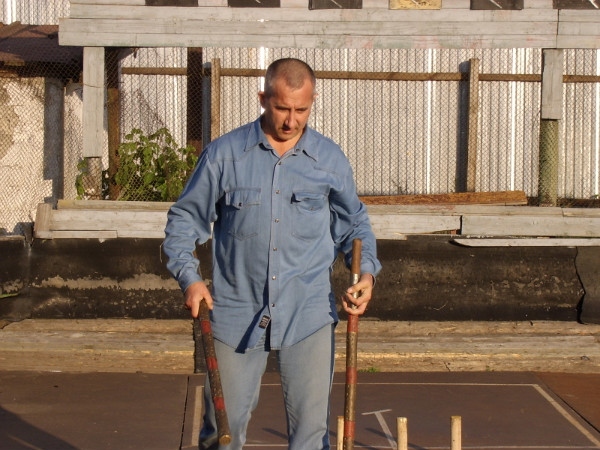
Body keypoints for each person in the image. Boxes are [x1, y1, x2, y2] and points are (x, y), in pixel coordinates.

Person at [163, 58, 382, 450]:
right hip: (235, 312)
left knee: (311, 437)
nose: (291, 121)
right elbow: (183, 221)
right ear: (263, 98)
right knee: (222, 434)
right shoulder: (224, 155)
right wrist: (190, 279)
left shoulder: (330, 160)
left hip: (308, 314)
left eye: (301, 109)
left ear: (313, 101)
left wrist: (365, 274)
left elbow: (355, 226)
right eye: (282, 108)